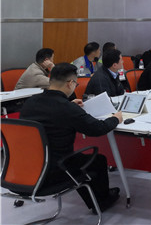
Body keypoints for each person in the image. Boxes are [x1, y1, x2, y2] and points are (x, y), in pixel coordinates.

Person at [20, 63, 123, 213]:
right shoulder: (66, 108)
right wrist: (116, 118)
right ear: (70, 83)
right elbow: (97, 128)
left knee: (79, 161)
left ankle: (95, 199)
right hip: (56, 170)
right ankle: (101, 201)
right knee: (97, 160)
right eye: (76, 84)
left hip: (28, 167)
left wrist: (70, 105)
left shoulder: (30, 103)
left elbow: (51, 114)